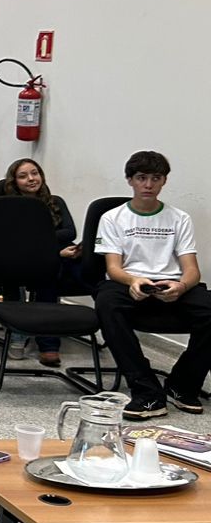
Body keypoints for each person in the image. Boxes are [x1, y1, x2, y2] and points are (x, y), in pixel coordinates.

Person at [93, 152, 211, 420]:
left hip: (171, 283)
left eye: (155, 178)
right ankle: (147, 392)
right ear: (130, 180)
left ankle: (182, 385)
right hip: (130, 283)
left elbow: (192, 270)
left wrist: (181, 286)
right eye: (141, 178)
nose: (148, 185)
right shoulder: (112, 218)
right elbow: (113, 268)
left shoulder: (179, 218)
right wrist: (133, 281)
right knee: (107, 302)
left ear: (164, 181)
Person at [0, 158, 79, 366]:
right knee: (17, 272)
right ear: (14, 182)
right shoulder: (8, 206)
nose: (31, 179)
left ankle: (48, 344)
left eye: (35, 173)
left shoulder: (55, 201)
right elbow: (12, 239)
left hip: (51, 262)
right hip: (17, 259)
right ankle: (17, 336)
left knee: (51, 273)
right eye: (23, 176)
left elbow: (70, 232)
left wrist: (47, 247)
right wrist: (53, 247)